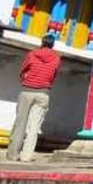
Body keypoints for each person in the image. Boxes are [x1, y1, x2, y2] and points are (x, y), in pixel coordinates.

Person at [6, 34, 60, 162]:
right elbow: (53, 75)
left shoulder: (32, 54)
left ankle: (13, 155)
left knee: (20, 123)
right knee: (34, 127)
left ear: (42, 42)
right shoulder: (57, 58)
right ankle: (26, 156)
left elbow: (23, 70)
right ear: (52, 45)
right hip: (43, 94)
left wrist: (26, 79)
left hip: (27, 91)